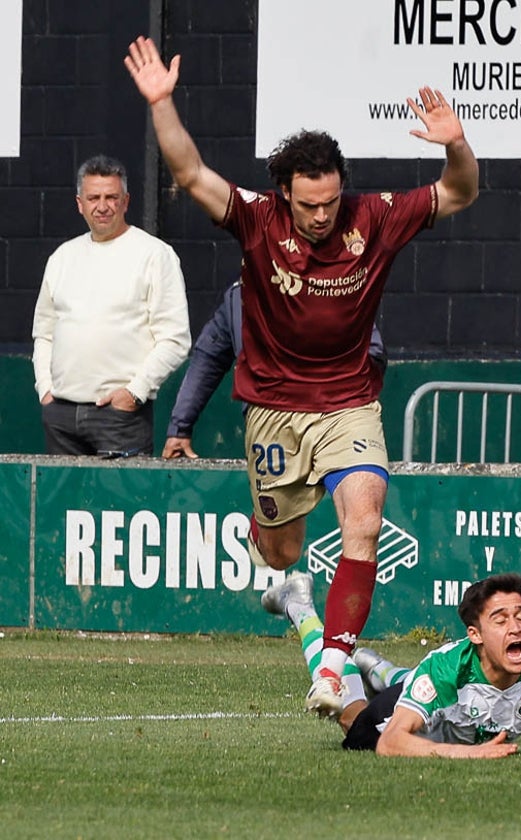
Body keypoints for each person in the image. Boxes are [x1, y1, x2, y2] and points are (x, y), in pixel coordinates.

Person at [125, 35, 479, 716]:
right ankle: (293, 596)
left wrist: (455, 145)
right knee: (282, 551)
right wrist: (162, 105)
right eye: (307, 205)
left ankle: (334, 667)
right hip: (274, 410)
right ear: (283, 192)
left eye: (329, 202)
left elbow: (458, 192)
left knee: (365, 525)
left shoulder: (373, 217)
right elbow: (193, 173)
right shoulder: (258, 221)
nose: (320, 216)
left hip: (348, 403)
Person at [261, 571, 521, 759]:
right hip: (413, 720)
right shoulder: (449, 667)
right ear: (475, 634)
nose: (515, 626)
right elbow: (391, 744)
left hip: (433, 694)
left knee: (426, 689)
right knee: (348, 714)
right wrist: (470, 755)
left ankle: (380, 668)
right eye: (500, 619)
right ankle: (300, 604)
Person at [32, 154, 191, 456]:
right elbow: (45, 332)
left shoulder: (155, 255)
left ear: (126, 201)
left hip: (120, 419)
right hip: (61, 417)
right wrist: (46, 390)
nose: (102, 206)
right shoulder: (62, 257)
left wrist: (133, 393)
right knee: (61, 503)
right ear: (80, 203)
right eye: (93, 197)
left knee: (122, 502)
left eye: (111, 197)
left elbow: (175, 339)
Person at [161, 281, 386, 459]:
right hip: (269, 435)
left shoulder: (331, 285)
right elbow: (209, 357)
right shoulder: (240, 293)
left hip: (331, 429)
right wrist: (180, 427)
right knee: (272, 514)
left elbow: (373, 355)